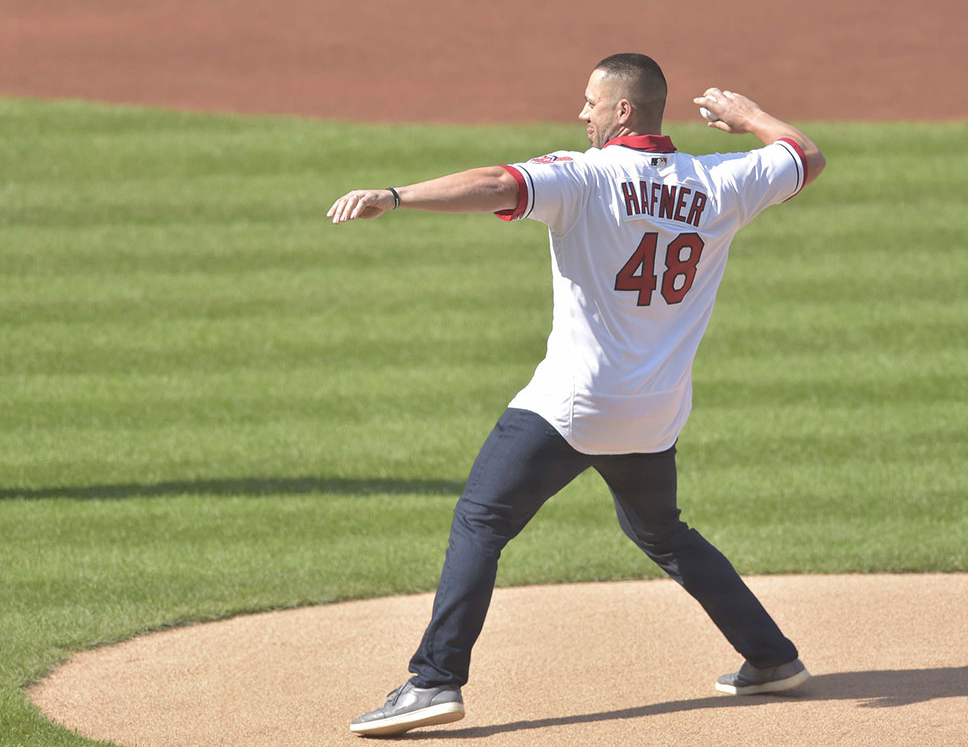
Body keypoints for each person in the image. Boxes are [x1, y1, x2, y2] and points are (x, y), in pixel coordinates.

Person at [326, 53, 826, 737]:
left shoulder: (585, 177)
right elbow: (804, 154)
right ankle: (771, 657)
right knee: (660, 530)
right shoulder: (720, 181)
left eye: (591, 102)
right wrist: (749, 117)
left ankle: (433, 680)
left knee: (481, 518)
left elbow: (496, 182)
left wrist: (396, 194)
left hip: (573, 404)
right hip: (653, 413)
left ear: (623, 110)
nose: (580, 113)